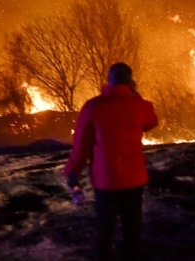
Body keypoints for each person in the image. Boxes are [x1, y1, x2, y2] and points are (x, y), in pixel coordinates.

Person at [64, 62, 158, 261]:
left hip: (106, 181)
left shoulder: (93, 107)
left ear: (109, 80)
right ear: (130, 81)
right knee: (132, 230)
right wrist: (134, 94)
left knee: (104, 232)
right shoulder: (141, 106)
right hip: (134, 180)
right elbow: (151, 122)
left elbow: (80, 146)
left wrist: (73, 173)